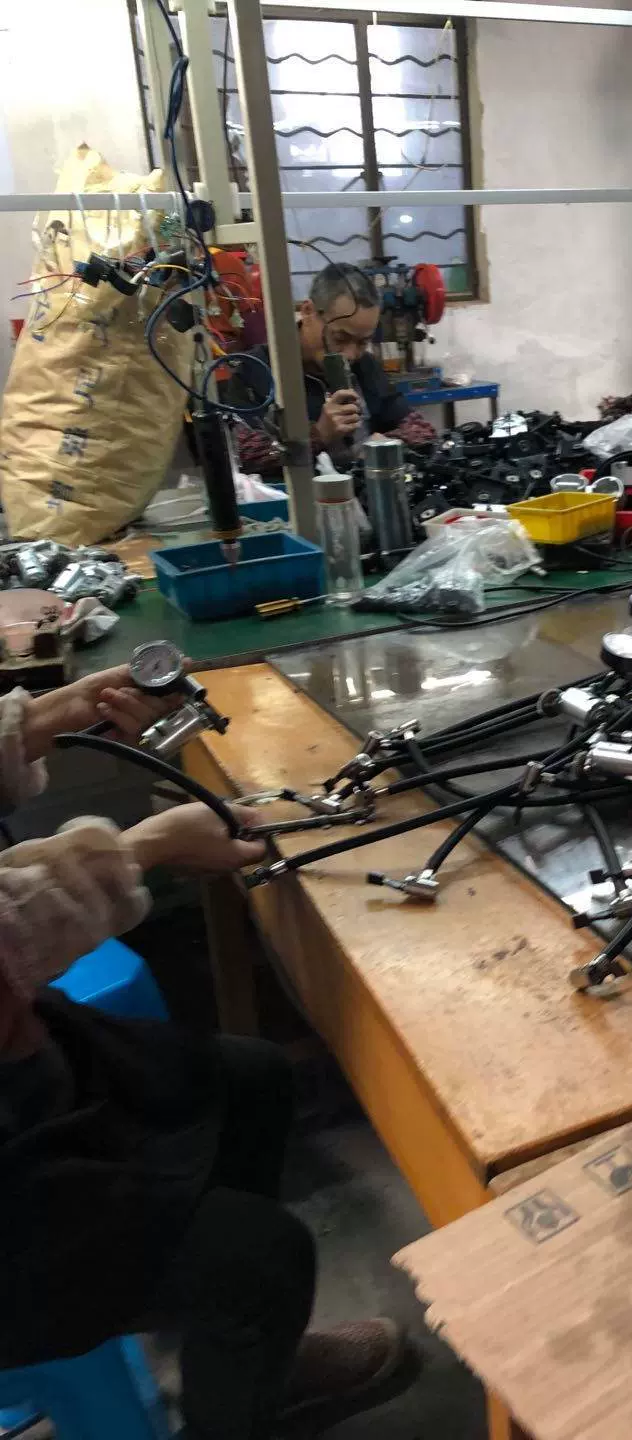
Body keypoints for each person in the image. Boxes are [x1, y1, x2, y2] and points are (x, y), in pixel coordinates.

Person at [0, 667, 412, 1440]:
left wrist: (42, 719)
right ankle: (238, 1351)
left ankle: (247, 1358)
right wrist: (141, 851)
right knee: (261, 1259)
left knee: (249, 1080)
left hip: (23, 1057)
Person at [232, 263, 436, 475]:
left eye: (362, 342)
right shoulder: (254, 370)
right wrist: (318, 435)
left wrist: (387, 444)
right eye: (340, 338)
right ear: (308, 312)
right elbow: (242, 455)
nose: (350, 354)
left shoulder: (365, 366)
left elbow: (421, 430)